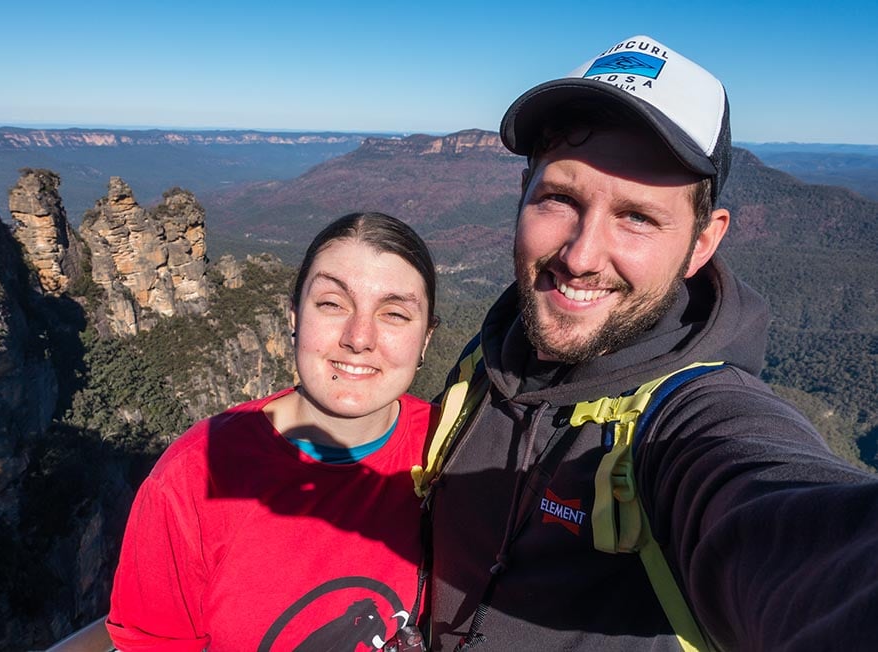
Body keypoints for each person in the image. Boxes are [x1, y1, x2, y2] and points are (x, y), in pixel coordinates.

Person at [427, 35, 878, 650]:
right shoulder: (488, 355)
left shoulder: (693, 423)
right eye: (559, 198)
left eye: (637, 216)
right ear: (523, 194)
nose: (581, 256)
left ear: (702, 243)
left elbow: (798, 529)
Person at [106, 212, 438, 651]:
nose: (360, 337)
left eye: (394, 313)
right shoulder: (196, 476)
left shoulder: (450, 446)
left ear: (426, 340)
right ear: (295, 316)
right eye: (332, 304)